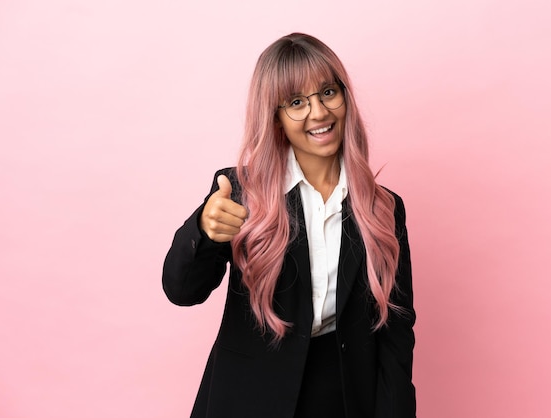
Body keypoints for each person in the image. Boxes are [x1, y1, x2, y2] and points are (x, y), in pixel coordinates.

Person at [162, 32, 416, 418]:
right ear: (276, 117)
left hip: (342, 397)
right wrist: (203, 231)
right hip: (248, 396)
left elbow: (396, 333)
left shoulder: (385, 207)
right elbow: (182, 291)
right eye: (297, 102)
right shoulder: (239, 193)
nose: (318, 113)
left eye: (328, 92)